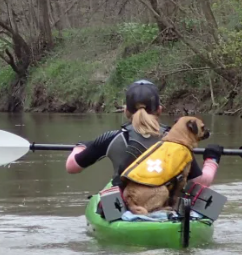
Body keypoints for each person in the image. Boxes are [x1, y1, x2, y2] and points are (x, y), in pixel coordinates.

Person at [65, 79, 223, 192]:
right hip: (164, 204)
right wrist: (212, 159)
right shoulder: (178, 141)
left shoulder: (111, 138)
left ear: (126, 111)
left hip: (126, 202)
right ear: (160, 110)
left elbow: (72, 167)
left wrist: (80, 147)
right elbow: (201, 182)